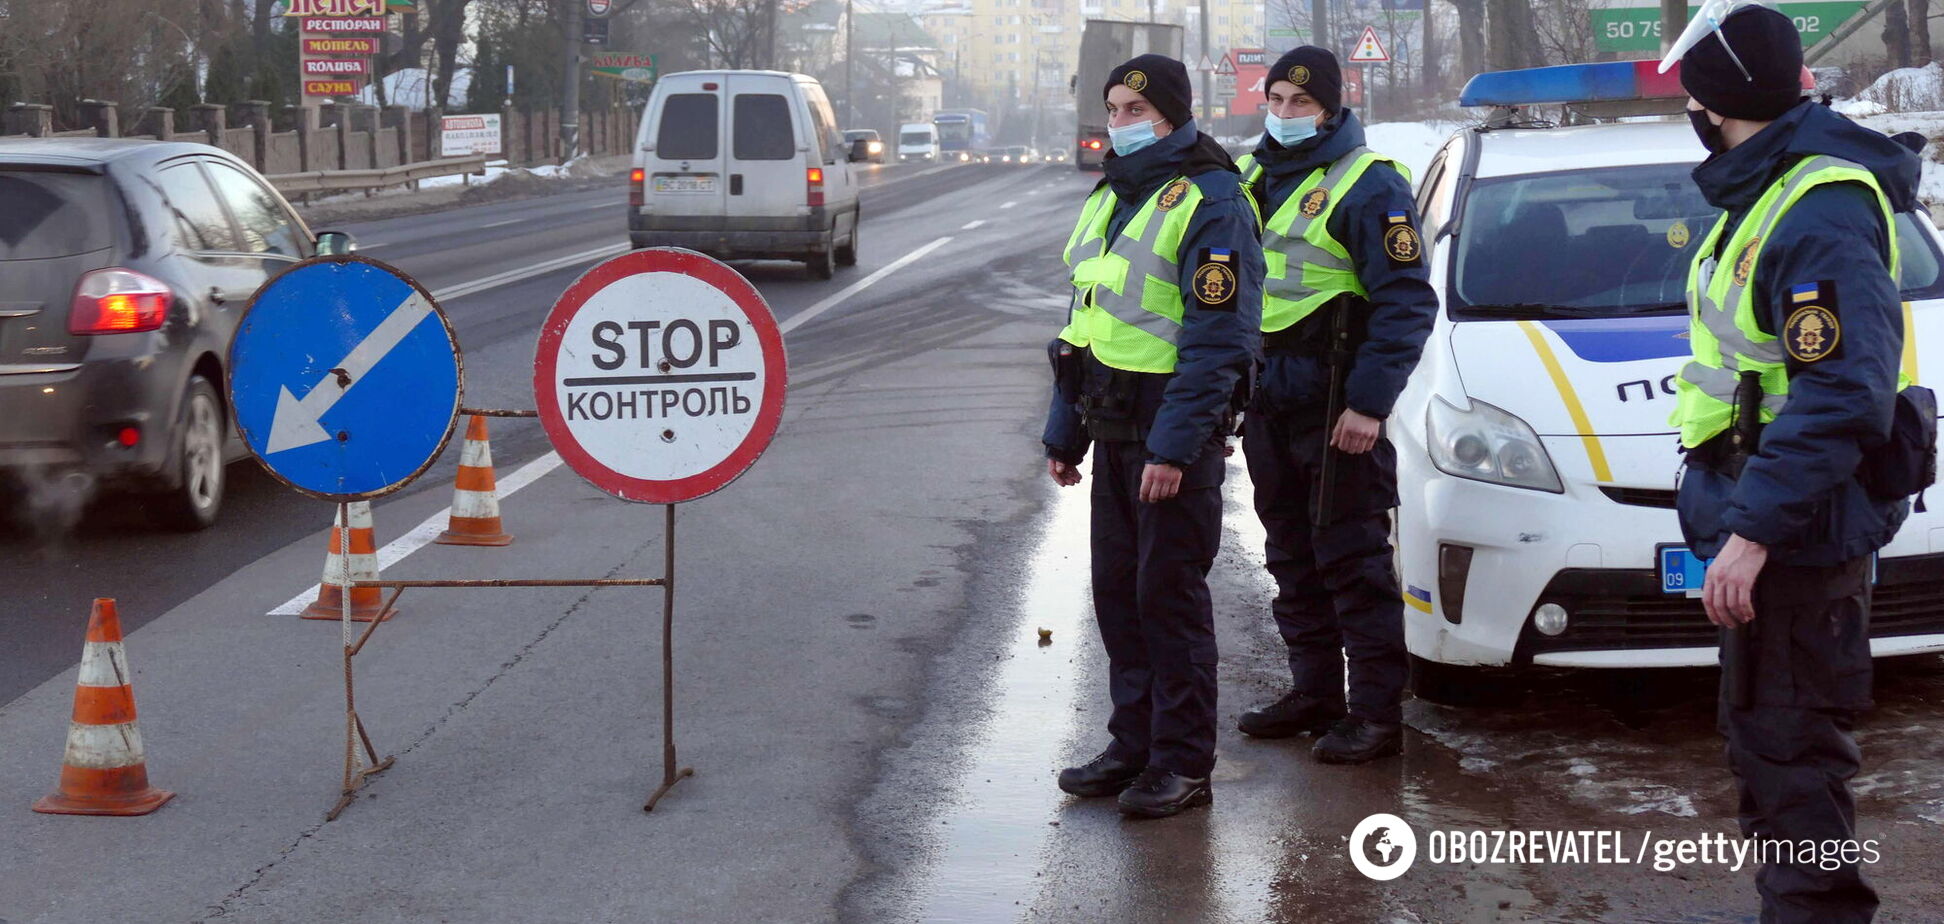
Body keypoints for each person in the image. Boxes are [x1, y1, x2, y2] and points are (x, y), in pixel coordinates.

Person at [1669, 6, 1918, 921]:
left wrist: (1752, 533)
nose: (1688, 110)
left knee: (1792, 747)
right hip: (1779, 516)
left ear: (1718, 101)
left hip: (1800, 530)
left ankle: (1814, 911)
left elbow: (1842, 393)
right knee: (1767, 743)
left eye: (1692, 95)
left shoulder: (1816, 207)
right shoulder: (1771, 188)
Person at [1043, 53, 1263, 819]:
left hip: (1173, 438)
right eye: (1113, 110)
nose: (1120, 124)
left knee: (1168, 602)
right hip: (1112, 427)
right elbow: (1084, 325)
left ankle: (1181, 763)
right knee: (1119, 598)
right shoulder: (1115, 196)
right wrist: (1063, 431)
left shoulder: (1214, 199)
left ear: (1172, 114)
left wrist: (1175, 449)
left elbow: (1219, 339)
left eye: (1135, 111)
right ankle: (1131, 744)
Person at [1227, 46, 1437, 764]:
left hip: (1336, 405)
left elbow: (1406, 302)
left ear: (1332, 107)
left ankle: (1375, 713)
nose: (1285, 114)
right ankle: (1314, 692)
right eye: (1276, 99)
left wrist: (1370, 405)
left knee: (1353, 562)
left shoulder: (1370, 184)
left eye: (1301, 103)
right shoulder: (1252, 176)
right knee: (1290, 554)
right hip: (1270, 400)